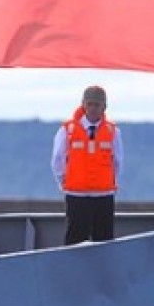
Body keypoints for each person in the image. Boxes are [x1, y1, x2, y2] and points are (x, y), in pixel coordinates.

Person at [52, 85, 123, 244]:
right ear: (83, 104)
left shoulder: (113, 131)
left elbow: (118, 161)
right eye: (89, 104)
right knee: (75, 238)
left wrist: (109, 182)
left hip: (103, 195)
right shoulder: (67, 130)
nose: (93, 109)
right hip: (76, 195)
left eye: (97, 105)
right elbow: (57, 160)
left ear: (104, 107)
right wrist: (65, 183)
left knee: (104, 240)